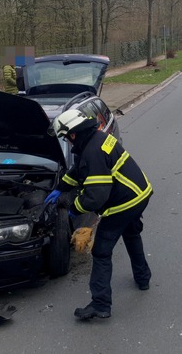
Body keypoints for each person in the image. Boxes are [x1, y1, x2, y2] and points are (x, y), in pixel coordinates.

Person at [45, 109, 154, 320]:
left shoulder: (93, 151)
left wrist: (73, 209)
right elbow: (79, 171)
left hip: (124, 202)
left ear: (74, 134)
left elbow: (96, 196)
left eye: (66, 137)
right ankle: (143, 278)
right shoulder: (96, 138)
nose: (66, 141)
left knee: (101, 252)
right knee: (132, 235)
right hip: (140, 194)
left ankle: (101, 304)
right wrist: (61, 187)